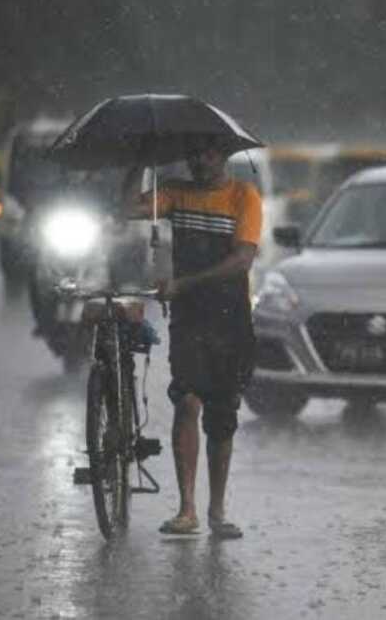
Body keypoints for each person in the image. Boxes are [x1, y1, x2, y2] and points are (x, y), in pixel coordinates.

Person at [123, 139, 261, 539]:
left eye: (208, 153)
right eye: (194, 153)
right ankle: (187, 509)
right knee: (186, 400)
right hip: (188, 318)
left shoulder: (244, 196)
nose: (200, 160)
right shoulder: (175, 194)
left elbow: (242, 260)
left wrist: (185, 283)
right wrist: (138, 162)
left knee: (222, 415)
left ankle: (217, 510)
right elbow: (128, 208)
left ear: (224, 155)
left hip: (229, 318)